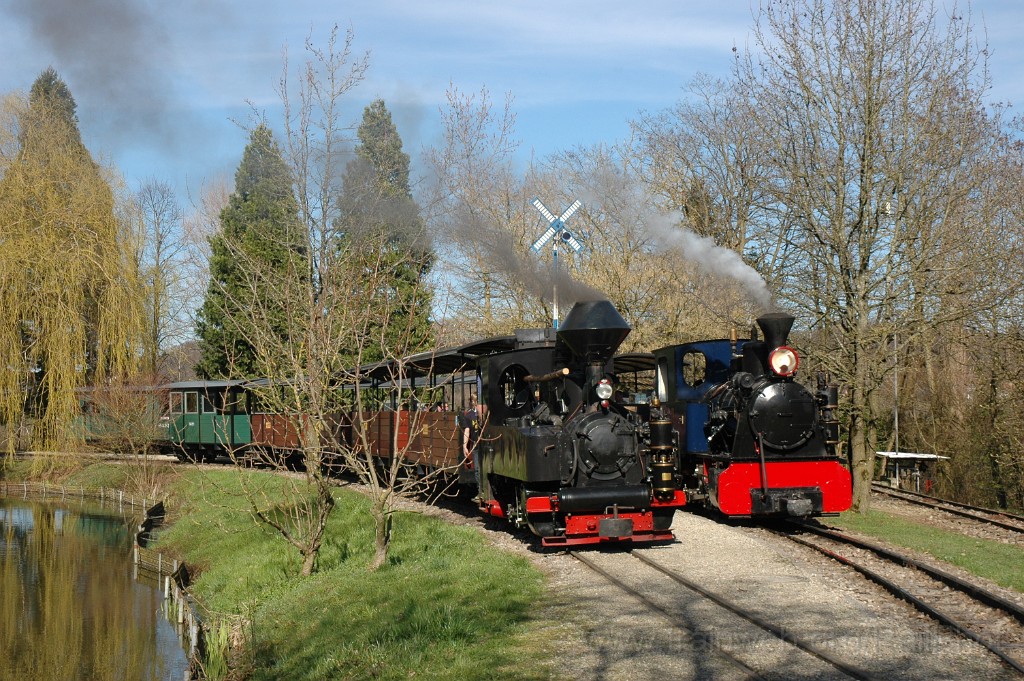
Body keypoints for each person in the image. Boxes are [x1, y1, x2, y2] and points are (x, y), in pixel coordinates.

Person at [460, 395, 487, 497]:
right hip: (476, 444)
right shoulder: (469, 415)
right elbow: (467, 430)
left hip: (485, 444)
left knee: (482, 468)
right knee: (477, 469)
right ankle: (480, 491)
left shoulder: (485, 414)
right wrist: (464, 445)